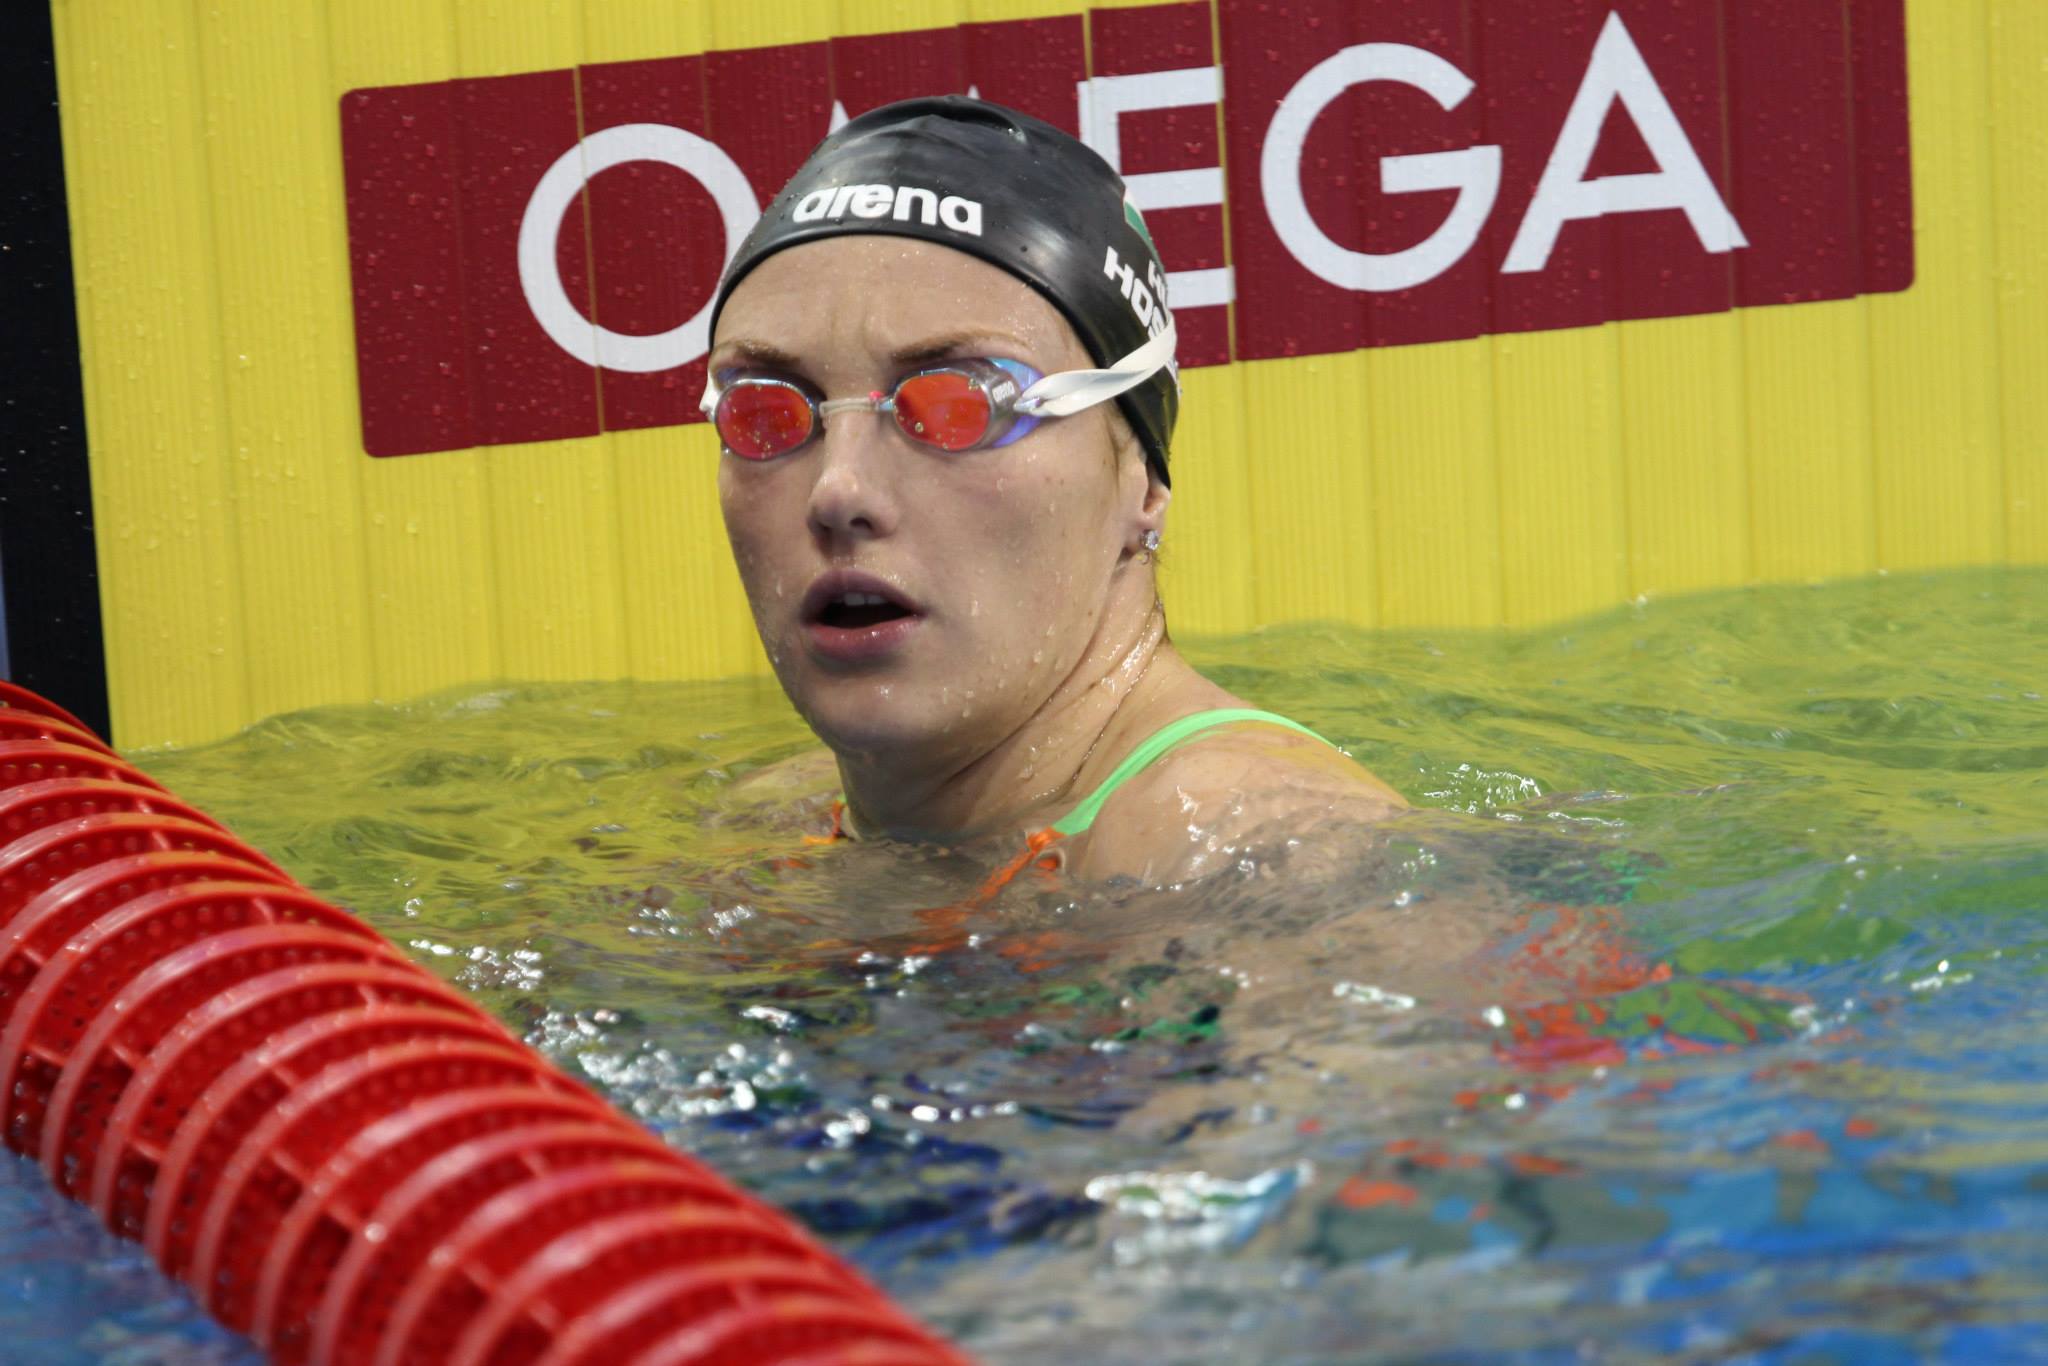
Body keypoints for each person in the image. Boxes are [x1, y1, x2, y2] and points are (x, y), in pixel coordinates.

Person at [703, 96, 1403, 890]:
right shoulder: (771, 820)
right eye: (767, 413)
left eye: (960, 406)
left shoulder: (1264, 847)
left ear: (1142, 479)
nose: (838, 490)